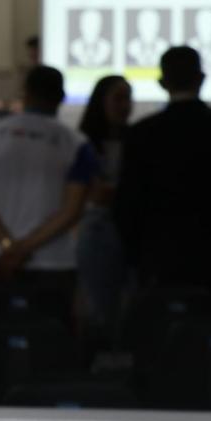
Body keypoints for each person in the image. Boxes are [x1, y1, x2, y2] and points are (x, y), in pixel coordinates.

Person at [115, 47, 211, 309]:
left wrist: (138, 253)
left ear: (162, 82)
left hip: (159, 256)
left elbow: (128, 202)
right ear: (201, 78)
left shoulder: (141, 133)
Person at [0, 66, 98, 299]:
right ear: (61, 97)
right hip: (54, 260)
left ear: (25, 94)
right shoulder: (76, 143)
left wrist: (8, 245)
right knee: (52, 321)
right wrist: (25, 248)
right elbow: (72, 210)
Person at [75, 75, 133, 348]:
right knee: (98, 302)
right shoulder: (83, 142)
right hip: (96, 226)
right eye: (118, 98)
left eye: (128, 98)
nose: (125, 105)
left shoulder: (136, 138)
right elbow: (93, 194)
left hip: (130, 226)